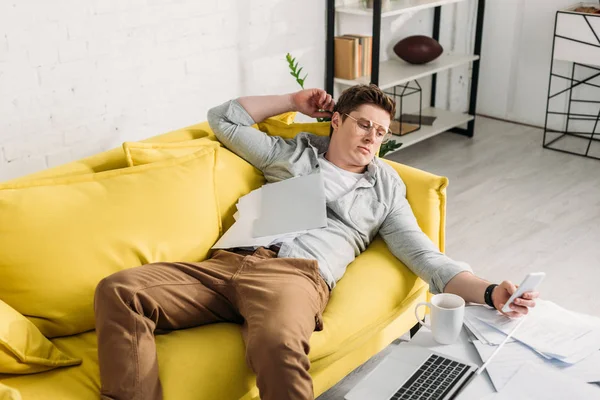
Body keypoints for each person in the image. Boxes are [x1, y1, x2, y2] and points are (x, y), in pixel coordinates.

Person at [94, 84, 539, 400]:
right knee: (120, 289)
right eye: (363, 125)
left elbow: (424, 256)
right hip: (225, 264)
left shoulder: (385, 188)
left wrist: (488, 292)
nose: (371, 138)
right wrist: (292, 101)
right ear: (336, 121)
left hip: (294, 277)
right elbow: (222, 118)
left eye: (380, 132)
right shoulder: (290, 154)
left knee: (276, 343)